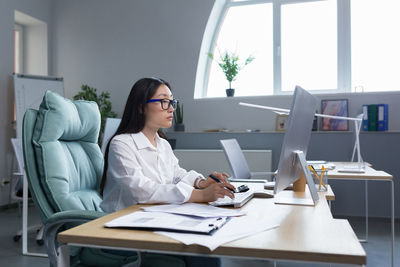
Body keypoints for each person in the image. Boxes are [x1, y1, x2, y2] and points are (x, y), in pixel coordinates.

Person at [100, 77, 235, 267]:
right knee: (201, 253)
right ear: (140, 107)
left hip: (155, 217)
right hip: (123, 226)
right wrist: (200, 195)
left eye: (172, 102)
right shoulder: (121, 144)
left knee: (205, 245)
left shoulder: (162, 143)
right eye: (164, 101)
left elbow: (176, 173)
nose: (171, 108)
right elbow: (141, 190)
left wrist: (201, 182)